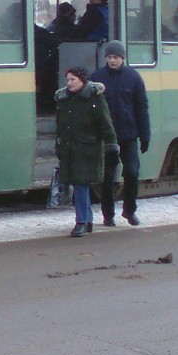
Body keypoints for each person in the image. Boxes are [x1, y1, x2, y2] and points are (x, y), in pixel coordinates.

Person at [54, 64, 116, 237]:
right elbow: (60, 126)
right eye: (68, 79)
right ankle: (87, 220)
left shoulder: (95, 98)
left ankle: (81, 222)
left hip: (88, 149)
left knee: (81, 184)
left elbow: (105, 123)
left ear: (82, 80)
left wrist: (112, 144)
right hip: (70, 149)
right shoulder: (63, 99)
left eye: (73, 79)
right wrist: (59, 145)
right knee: (80, 184)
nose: (69, 83)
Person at [97, 41, 150, 227]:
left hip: (129, 136)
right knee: (107, 177)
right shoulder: (98, 78)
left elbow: (142, 108)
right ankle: (108, 215)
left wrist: (145, 136)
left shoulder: (133, 77)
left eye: (116, 57)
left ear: (122, 58)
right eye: (109, 57)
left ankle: (129, 211)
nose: (112, 60)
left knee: (132, 173)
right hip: (107, 136)